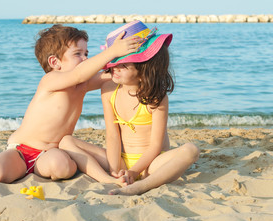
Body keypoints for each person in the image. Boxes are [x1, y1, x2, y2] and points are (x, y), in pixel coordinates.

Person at [0, 24, 141, 184]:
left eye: (86, 53)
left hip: (50, 154)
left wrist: (124, 56)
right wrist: (111, 52)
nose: (85, 59)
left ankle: (46, 167)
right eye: (78, 54)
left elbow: (116, 75)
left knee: (63, 167)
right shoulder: (50, 80)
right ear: (55, 62)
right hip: (21, 150)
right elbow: (79, 74)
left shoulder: (83, 84)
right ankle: (19, 168)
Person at [59, 20, 200, 195]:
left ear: (143, 69)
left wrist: (135, 172)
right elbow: (112, 136)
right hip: (121, 161)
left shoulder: (156, 96)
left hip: (151, 163)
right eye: (113, 64)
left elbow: (156, 145)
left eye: (123, 65)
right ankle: (109, 179)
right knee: (66, 141)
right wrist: (115, 169)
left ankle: (143, 185)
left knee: (191, 150)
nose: (114, 69)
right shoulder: (109, 90)